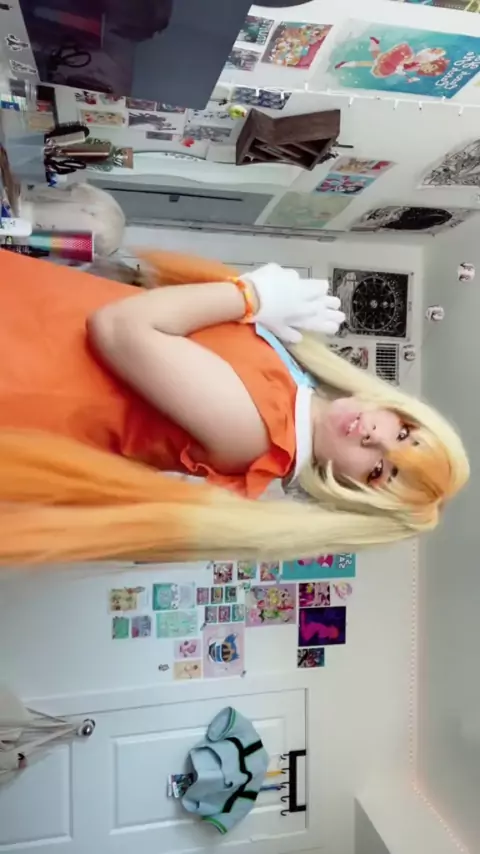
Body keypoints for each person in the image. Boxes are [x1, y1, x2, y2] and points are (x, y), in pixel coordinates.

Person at [0, 247, 469, 567]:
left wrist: (252, 295)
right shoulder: (291, 386)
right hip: (30, 319)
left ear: (348, 491)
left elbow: (121, 329)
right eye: (403, 433)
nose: (374, 437)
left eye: (379, 470)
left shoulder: (259, 432)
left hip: (21, 360)